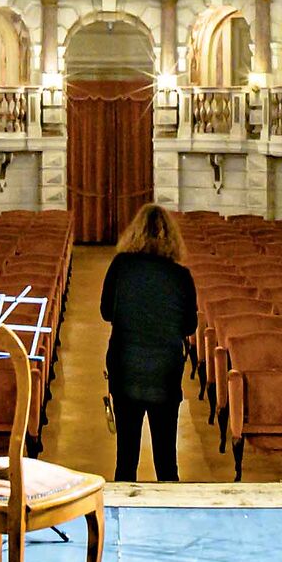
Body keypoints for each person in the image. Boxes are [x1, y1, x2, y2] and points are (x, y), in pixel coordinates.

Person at [100, 203, 195, 483]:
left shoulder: (121, 266)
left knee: (125, 461)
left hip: (126, 369)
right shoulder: (181, 275)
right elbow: (189, 326)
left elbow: (106, 312)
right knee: (167, 462)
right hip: (165, 374)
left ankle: (121, 520)